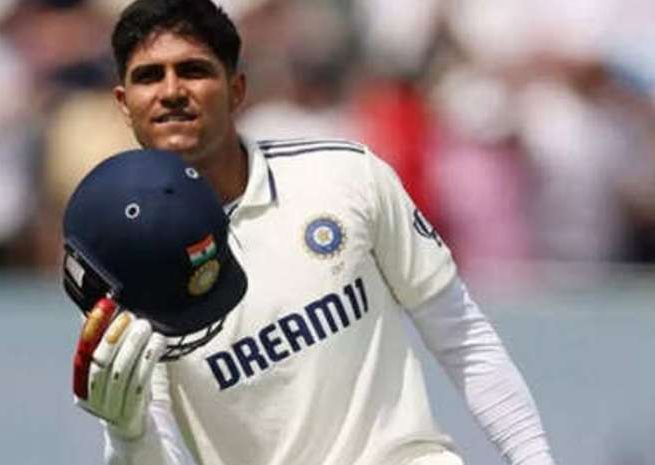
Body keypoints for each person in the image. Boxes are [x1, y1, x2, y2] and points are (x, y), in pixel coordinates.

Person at [66, 1, 557, 464]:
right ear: (123, 103)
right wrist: (128, 435)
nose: (172, 91)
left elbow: (462, 335)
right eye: (149, 76)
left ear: (237, 89)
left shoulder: (344, 175)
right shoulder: (124, 268)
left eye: (193, 70)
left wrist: (535, 458)